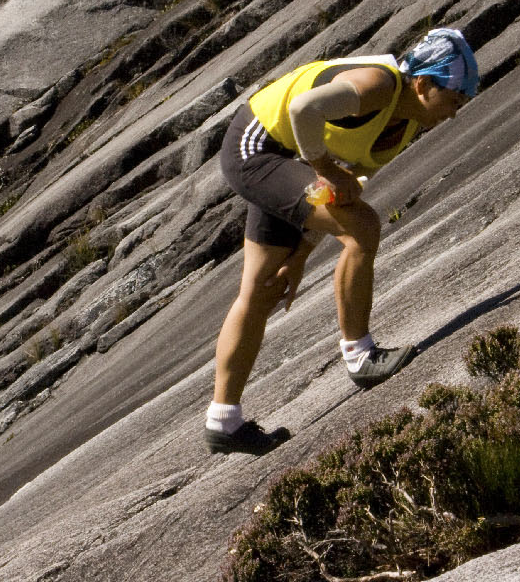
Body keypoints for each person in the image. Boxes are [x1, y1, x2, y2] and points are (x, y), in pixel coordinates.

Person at [204, 28, 479, 454]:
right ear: (423, 84)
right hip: (257, 146)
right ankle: (360, 355)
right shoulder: (378, 86)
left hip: (292, 158)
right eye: (453, 101)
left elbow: (330, 198)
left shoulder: (406, 121)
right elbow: (303, 108)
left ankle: (223, 421)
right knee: (364, 227)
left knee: (262, 288)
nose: (454, 114)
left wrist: (299, 254)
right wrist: (327, 168)